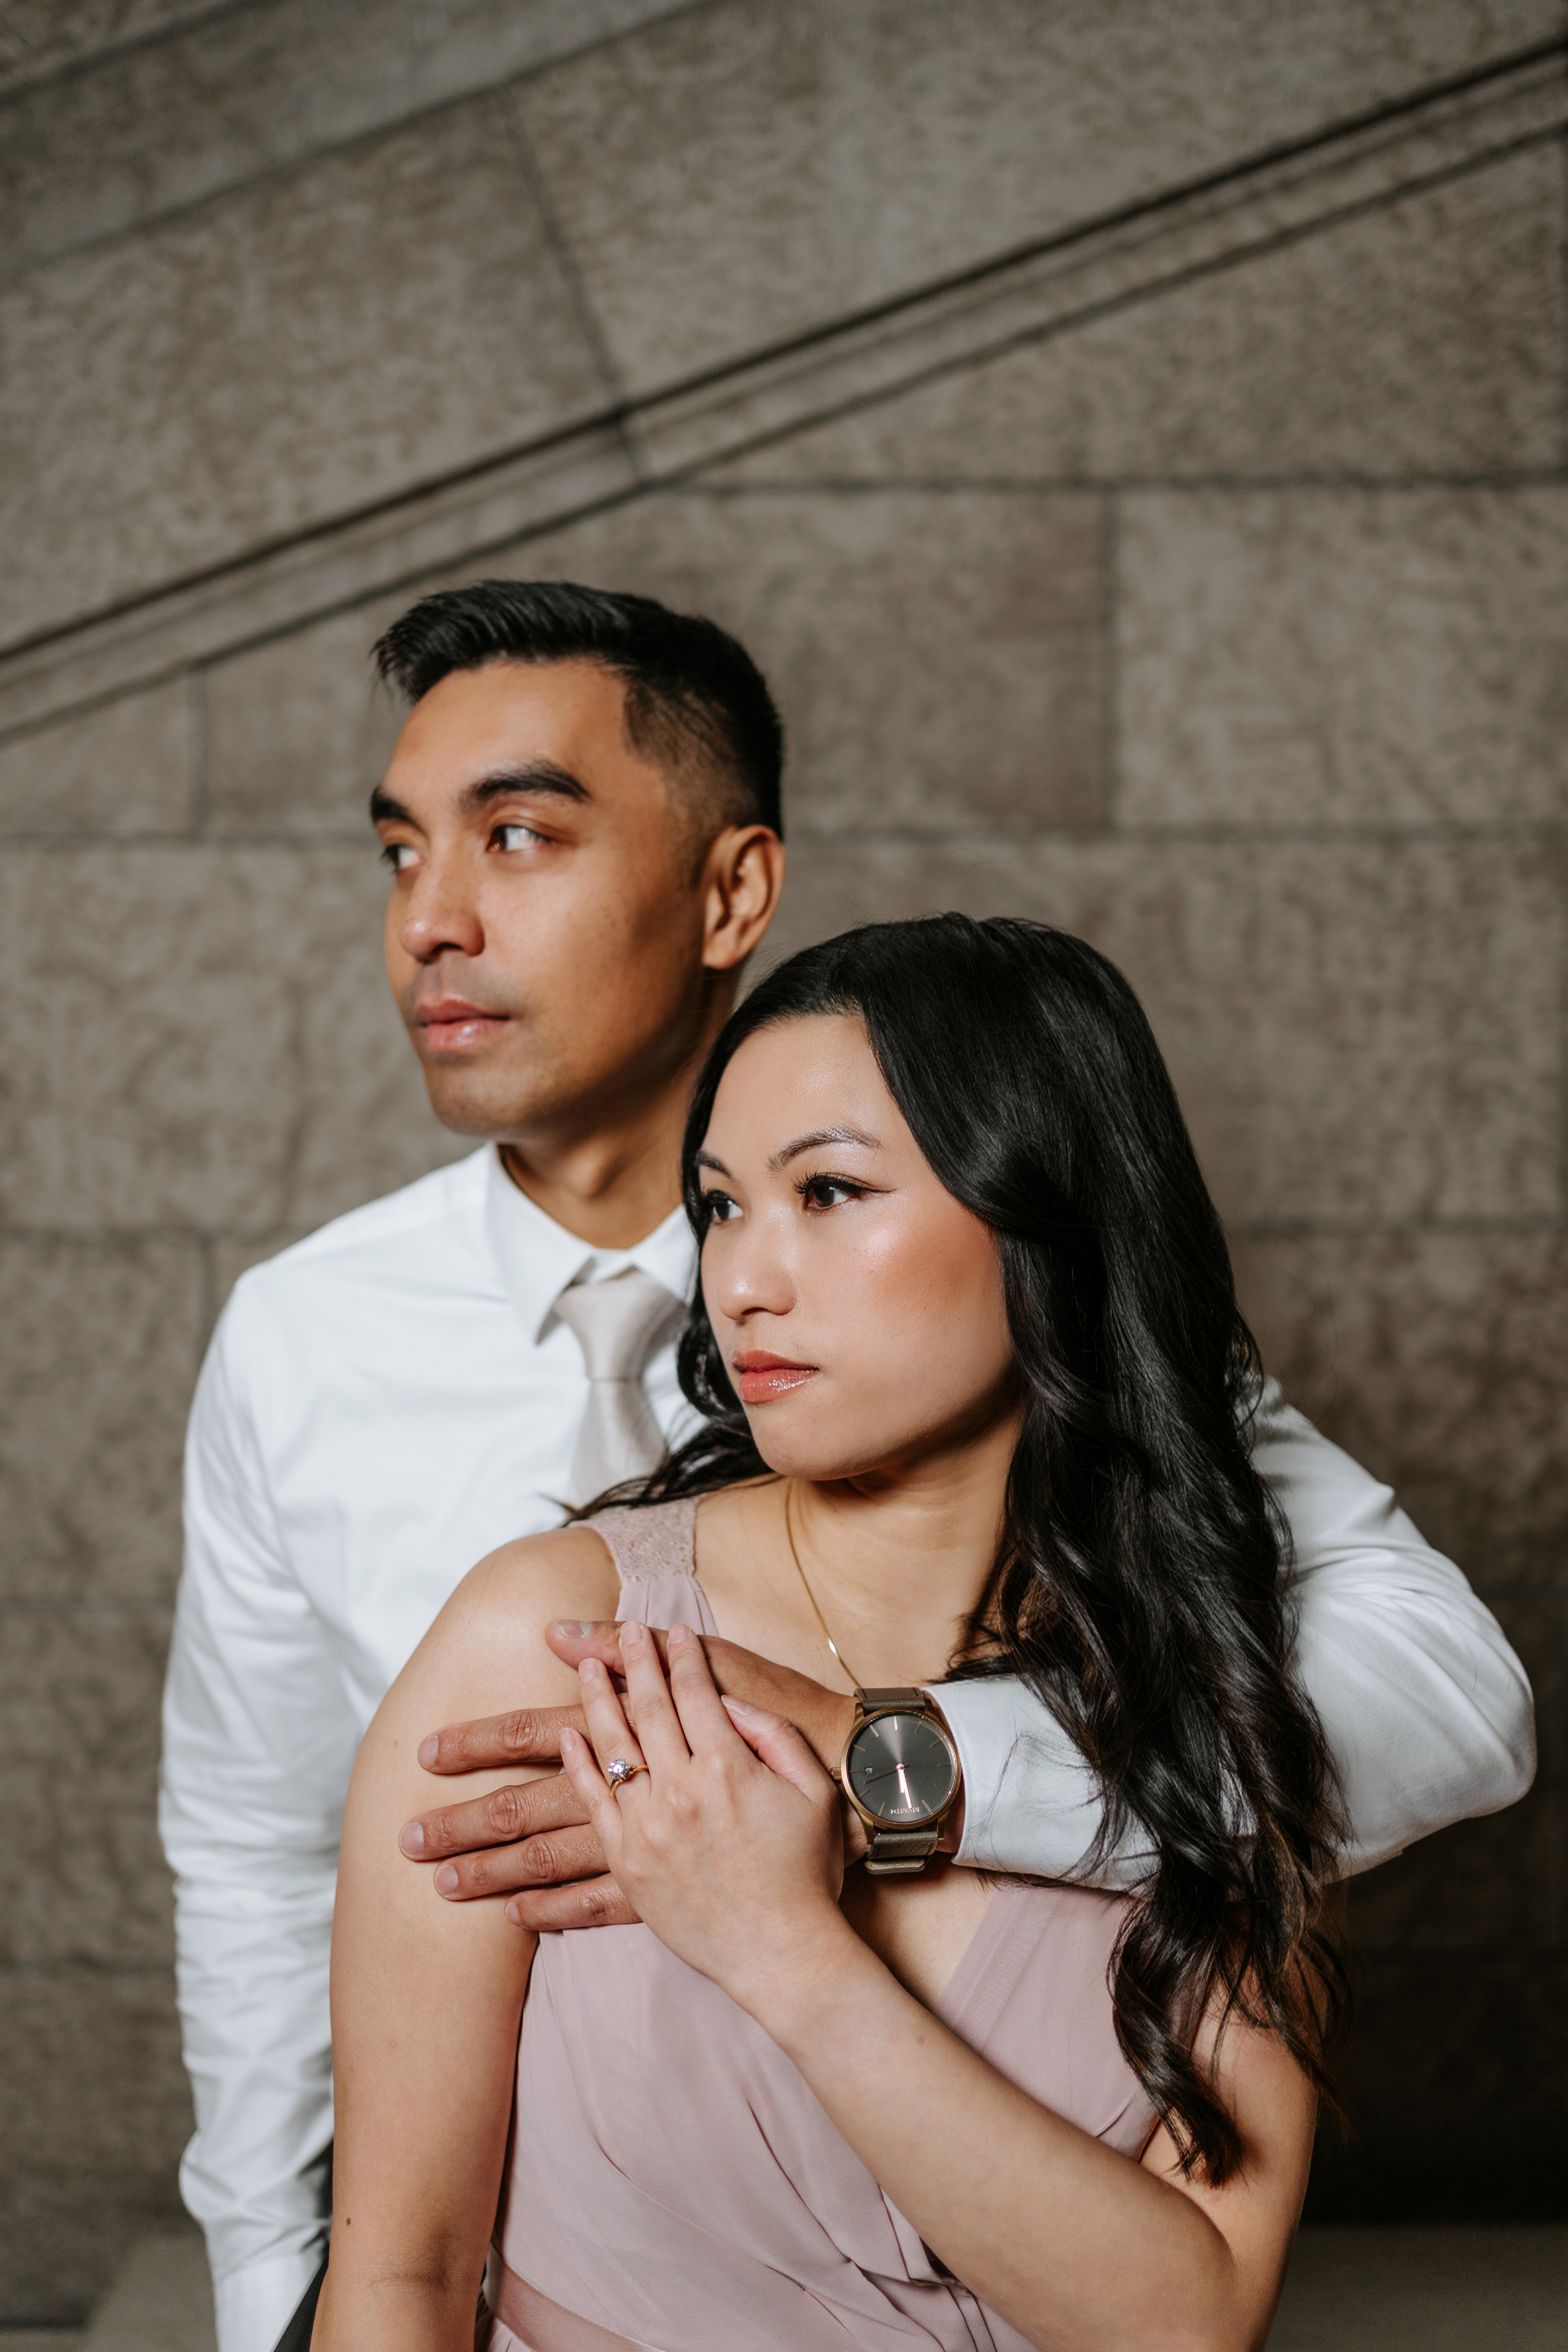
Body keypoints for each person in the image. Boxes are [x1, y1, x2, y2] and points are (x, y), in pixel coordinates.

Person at [159, 583, 1534, 2352]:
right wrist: (275, 2294)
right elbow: (256, 1854)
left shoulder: (1190, 1563)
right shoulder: (319, 1353)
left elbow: (1456, 1693)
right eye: (398, 852)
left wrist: (881, 1767)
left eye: (516, 837)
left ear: (729, 888)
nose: (433, 919)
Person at [319, 914, 1377, 2351]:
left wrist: (781, 1949)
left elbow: (1186, 2322)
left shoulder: (1219, 1699)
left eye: (826, 1191)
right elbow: (400, 2282)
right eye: (720, 1207)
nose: (742, 1279)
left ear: (1044, 1222)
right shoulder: (560, 1643)